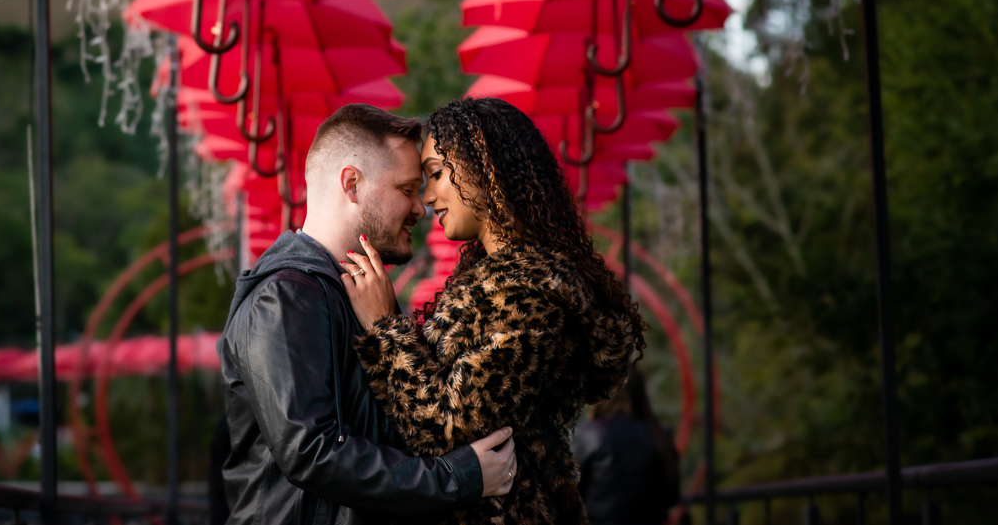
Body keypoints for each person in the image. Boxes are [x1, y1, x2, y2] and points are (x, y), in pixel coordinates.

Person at [341, 97, 648, 525]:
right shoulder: (492, 285)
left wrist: (383, 328)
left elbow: (447, 427)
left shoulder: (534, 297)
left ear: (482, 168)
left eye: (434, 174)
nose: (428, 199)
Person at [218, 104, 518, 525]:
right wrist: (457, 477)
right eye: (407, 188)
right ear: (352, 184)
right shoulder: (285, 295)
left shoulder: (362, 292)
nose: (421, 207)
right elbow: (311, 451)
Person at [573, 370, 681, 525]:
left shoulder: (588, 435)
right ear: (641, 394)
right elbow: (671, 496)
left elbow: (566, 495)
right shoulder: (660, 434)